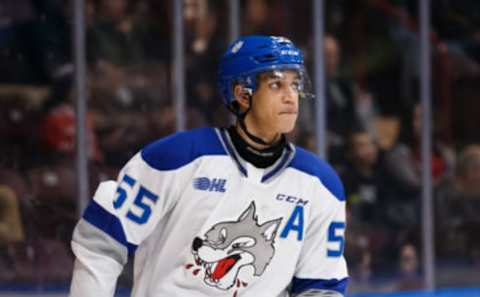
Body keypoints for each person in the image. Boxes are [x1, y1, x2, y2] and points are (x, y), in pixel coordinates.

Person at [69, 35, 348, 297]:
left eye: (295, 84)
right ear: (242, 94)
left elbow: (321, 286)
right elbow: (102, 241)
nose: (291, 96)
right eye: (276, 85)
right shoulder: (176, 158)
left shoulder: (321, 185)